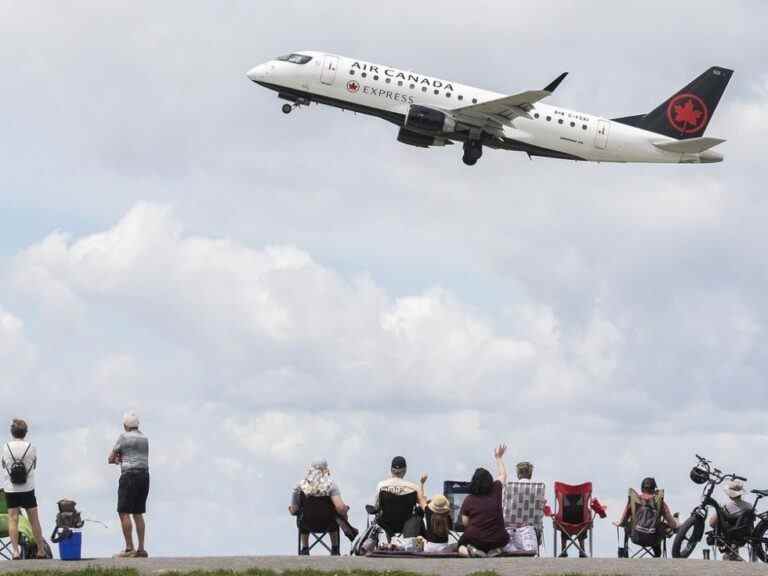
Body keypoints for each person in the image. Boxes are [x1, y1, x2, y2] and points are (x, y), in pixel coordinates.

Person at [289, 459, 357, 555]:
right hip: (328, 523)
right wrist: (345, 510)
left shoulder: (300, 486)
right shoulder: (331, 485)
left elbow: (294, 510)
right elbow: (340, 508)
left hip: (307, 524)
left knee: (302, 516)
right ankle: (335, 548)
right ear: (325, 469)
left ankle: (305, 548)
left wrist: (291, 510)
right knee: (335, 517)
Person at [1, 419, 47, 559]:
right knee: (34, 520)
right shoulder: (31, 447)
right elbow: (34, 466)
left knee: (13, 519)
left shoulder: (5, 447)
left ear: (12, 432)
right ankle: (40, 550)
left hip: (11, 488)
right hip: (28, 488)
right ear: (25, 432)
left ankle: (15, 552)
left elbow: (4, 466)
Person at [108, 412, 150, 558]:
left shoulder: (124, 437)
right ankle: (141, 549)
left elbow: (111, 458)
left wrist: (118, 460)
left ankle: (129, 548)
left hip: (129, 476)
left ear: (125, 425)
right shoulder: (145, 438)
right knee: (138, 513)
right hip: (144, 476)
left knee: (124, 511)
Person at [458, 444, 510, 556]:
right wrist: (498, 457)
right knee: (505, 539)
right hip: (498, 538)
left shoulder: (469, 499)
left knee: (460, 544)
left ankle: (471, 552)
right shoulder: (496, 489)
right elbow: (503, 475)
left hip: (475, 539)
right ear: (489, 480)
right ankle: (496, 550)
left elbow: (465, 522)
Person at [614, 476, 677, 557]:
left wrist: (619, 524)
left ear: (641, 488)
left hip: (636, 538)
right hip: (653, 540)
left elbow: (623, 521)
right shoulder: (659, 502)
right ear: (654, 489)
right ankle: (657, 555)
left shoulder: (634, 500)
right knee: (661, 526)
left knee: (628, 524)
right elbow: (672, 524)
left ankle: (625, 552)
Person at [709, 479, 752, 560]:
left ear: (730, 494)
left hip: (730, 534)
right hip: (745, 534)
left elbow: (711, 523)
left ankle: (730, 553)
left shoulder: (726, 506)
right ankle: (734, 552)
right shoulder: (749, 506)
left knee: (719, 523)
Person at [414, 474, 453, 547]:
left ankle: (418, 550)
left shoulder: (429, 511)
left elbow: (421, 498)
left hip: (430, 548)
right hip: (444, 547)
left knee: (419, 536)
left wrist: (422, 483)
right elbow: (451, 528)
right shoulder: (447, 515)